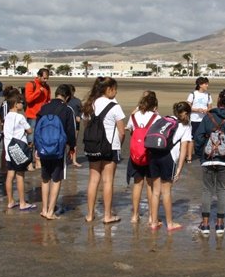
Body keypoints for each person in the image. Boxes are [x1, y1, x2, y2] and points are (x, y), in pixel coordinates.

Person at [194, 88, 225, 235]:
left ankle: (205, 224)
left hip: (208, 159)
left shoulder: (208, 116)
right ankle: (220, 224)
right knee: (222, 190)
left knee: (207, 190)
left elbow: (198, 137)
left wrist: (201, 156)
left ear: (219, 99)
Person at [82, 77, 125, 224]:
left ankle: (89, 214)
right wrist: (119, 145)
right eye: (114, 88)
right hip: (110, 146)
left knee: (93, 180)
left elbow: (86, 123)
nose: (116, 91)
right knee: (108, 181)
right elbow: (122, 131)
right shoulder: (114, 106)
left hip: (93, 145)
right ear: (108, 89)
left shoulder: (90, 104)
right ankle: (107, 215)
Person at [147, 101, 192, 232]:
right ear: (186, 113)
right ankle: (170, 223)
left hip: (153, 154)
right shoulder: (185, 126)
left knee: (156, 191)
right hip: (169, 158)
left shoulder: (164, 119)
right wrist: (179, 169)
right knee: (166, 192)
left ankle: (154, 222)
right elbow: (184, 149)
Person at [36, 84, 77, 220]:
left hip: (43, 147)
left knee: (45, 178)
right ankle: (50, 211)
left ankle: (44, 209)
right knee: (57, 178)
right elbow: (71, 131)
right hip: (59, 148)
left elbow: (37, 129)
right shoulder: (67, 109)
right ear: (67, 97)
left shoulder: (44, 107)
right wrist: (72, 147)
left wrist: (37, 148)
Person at [126, 91, 158, 224]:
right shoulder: (156, 117)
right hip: (150, 154)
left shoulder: (134, 116)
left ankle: (135, 215)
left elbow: (130, 130)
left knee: (137, 184)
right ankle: (151, 216)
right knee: (150, 185)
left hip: (135, 154)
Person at [2, 93, 36, 211]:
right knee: (20, 175)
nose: (23, 104)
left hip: (8, 149)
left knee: (10, 175)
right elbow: (30, 130)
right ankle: (22, 202)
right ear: (16, 105)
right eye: (21, 102)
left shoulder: (7, 117)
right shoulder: (20, 117)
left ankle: (10, 200)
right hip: (19, 149)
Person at [25, 68, 51, 169]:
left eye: (47, 78)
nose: (45, 80)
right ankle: (29, 162)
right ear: (39, 76)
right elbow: (28, 99)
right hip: (32, 116)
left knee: (40, 140)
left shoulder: (47, 87)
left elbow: (48, 100)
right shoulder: (31, 84)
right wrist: (38, 92)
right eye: (44, 78)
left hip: (43, 117)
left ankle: (38, 160)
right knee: (30, 140)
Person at [187, 77, 211, 161]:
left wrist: (206, 110)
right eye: (206, 84)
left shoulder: (208, 95)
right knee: (192, 138)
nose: (207, 85)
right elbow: (188, 107)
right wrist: (197, 110)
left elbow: (210, 107)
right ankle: (189, 157)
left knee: (205, 137)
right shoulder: (193, 94)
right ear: (200, 85)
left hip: (204, 120)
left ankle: (204, 155)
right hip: (194, 120)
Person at [66, 84, 83, 167]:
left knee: (74, 143)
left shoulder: (77, 101)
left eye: (71, 91)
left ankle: (74, 160)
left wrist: (79, 116)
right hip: (65, 124)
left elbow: (82, 111)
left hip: (76, 125)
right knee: (64, 142)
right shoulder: (64, 100)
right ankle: (64, 159)